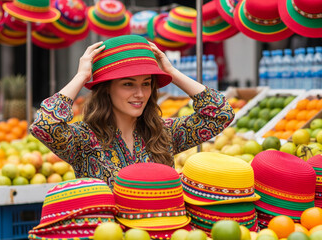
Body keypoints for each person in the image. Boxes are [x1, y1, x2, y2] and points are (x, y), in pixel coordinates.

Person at [30, 35, 235, 187]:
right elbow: (44, 125)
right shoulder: (84, 139)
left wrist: (172, 73)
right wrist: (81, 77)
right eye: (128, 84)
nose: (140, 93)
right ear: (107, 89)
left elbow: (220, 113)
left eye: (146, 84)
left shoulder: (164, 133)